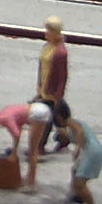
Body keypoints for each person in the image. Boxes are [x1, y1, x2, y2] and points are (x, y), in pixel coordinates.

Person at [53, 102, 102, 204]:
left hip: (91, 152)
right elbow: (69, 137)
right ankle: (77, 195)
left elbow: (80, 132)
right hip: (92, 151)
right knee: (75, 170)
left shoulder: (72, 123)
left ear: (60, 117)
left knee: (79, 183)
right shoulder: (70, 127)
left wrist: (78, 148)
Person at [33, 16, 69, 158]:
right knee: (59, 115)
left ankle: (39, 147)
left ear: (56, 32)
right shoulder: (46, 47)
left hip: (52, 92)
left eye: (49, 30)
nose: (46, 33)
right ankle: (64, 137)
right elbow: (42, 66)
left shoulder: (60, 53)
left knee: (45, 118)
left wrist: (58, 95)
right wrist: (39, 84)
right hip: (44, 88)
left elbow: (62, 76)